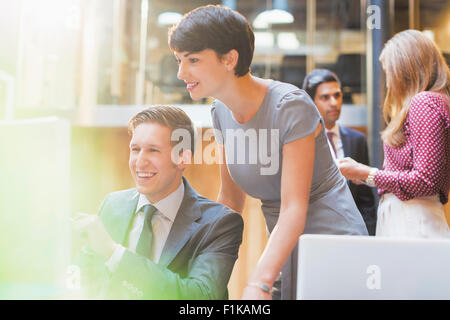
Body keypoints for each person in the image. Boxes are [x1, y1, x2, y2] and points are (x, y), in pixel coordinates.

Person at [168, 5, 368, 300]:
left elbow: (293, 208)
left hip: (332, 240)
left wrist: (258, 283)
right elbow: (230, 201)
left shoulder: (290, 105)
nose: (181, 72)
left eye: (193, 60)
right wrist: (196, 262)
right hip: (284, 245)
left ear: (230, 59)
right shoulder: (220, 112)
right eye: (179, 60)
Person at [72, 105, 244, 299]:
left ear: (182, 158)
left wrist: (115, 254)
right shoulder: (113, 205)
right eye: (135, 149)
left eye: (153, 150)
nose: (140, 161)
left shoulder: (219, 224)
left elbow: (201, 296)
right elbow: (83, 276)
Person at [338, 29, 450, 238]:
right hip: (414, 218)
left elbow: (425, 180)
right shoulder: (436, 102)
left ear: (404, 70)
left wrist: (365, 173)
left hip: (413, 221)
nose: (388, 82)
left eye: (389, 72)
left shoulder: (424, 102)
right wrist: (366, 177)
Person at [303, 69, 378, 235]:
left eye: (337, 95)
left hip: (352, 235)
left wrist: (368, 237)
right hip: (315, 235)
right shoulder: (302, 143)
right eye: (325, 97)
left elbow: (366, 201)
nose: (334, 102)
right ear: (311, 102)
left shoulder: (357, 140)